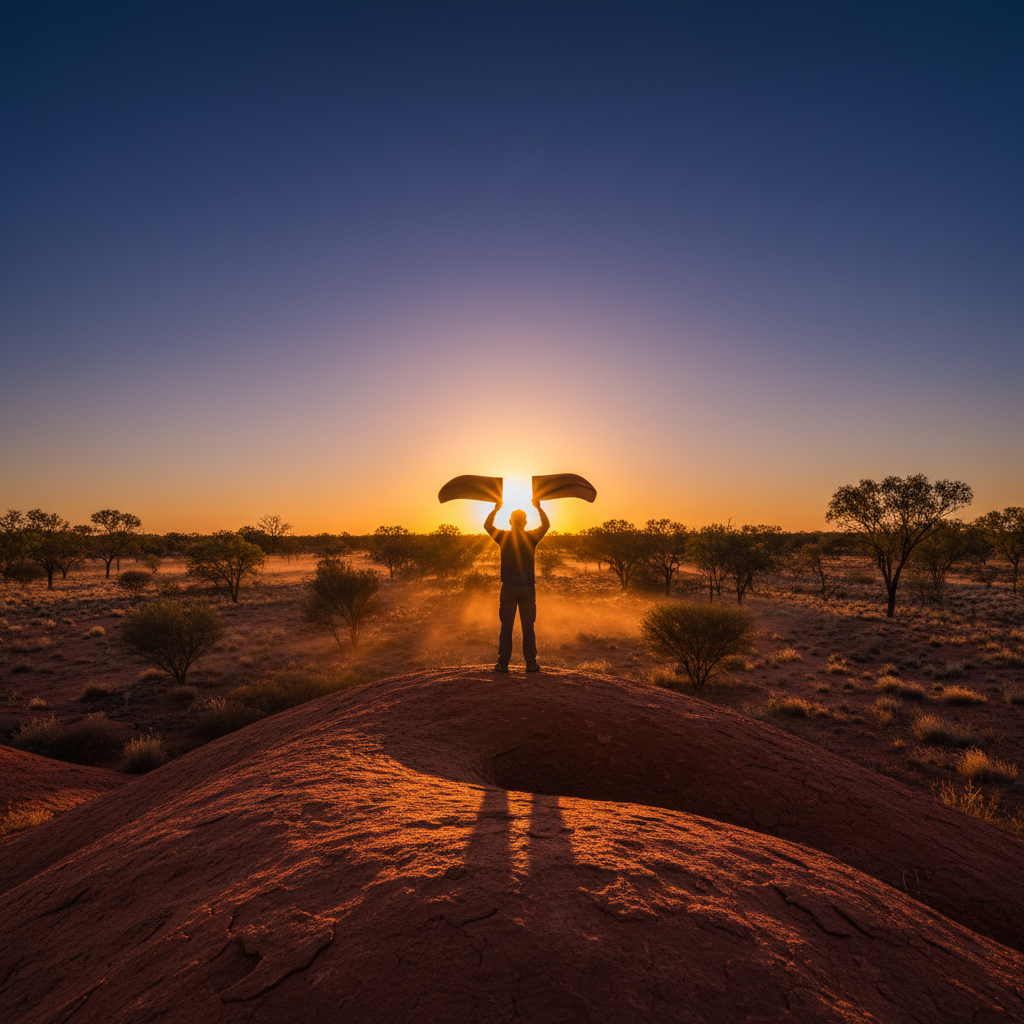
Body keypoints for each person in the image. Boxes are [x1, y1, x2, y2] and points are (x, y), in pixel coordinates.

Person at [484, 497, 549, 673]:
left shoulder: (503, 537)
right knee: (528, 628)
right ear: (526, 522)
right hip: (528, 588)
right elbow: (546, 525)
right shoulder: (532, 537)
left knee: (506, 627)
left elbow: (487, 526)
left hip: (509, 589)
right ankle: (531, 663)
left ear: (511, 522)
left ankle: (503, 664)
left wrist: (495, 509)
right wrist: (539, 508)